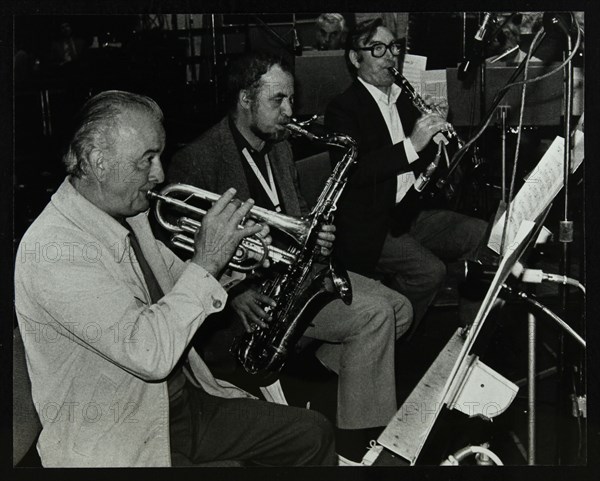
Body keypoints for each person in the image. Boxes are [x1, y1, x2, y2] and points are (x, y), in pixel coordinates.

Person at [14, 90, 336, 467]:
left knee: (313, 433)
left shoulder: (129, 216)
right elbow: (149, 352)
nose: (160, 174)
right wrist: (207, 261)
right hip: (120, 436)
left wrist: (236, 257)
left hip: (180, 406)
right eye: (146, 160)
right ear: (98, 163)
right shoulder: (56, 249)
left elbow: (182, 281)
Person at [167, 52, 413, 461]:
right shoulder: (198, 159)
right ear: (246, 99)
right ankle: (355, 450)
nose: (289, 112)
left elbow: (295, 211)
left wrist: (316, 235)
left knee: (401, 308)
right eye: (277, 100)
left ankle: (309, 369)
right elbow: (177, 253)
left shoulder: (278, 147)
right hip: (253, 297)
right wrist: (235, 294)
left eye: (291, 100)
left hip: (296, 277)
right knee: (374, 317)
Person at [325, 18, 488, 331]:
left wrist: (438, 135)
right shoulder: (343, 109)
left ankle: (467, 335)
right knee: (430, 272)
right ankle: (388, 335)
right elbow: (356, 172)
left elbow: (425, 161)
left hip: (411, 212)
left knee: (481, 234)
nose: (390, 56)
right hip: (372, 224)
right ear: (355, 58)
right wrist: (413, 143)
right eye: (378, 48)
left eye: (393, 47)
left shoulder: (403, 100)